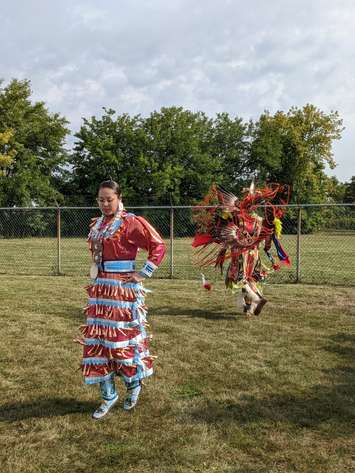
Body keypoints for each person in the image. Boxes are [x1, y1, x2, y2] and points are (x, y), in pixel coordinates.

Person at [76, 180, 165, 419]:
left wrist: (142, 273)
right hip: (100, 289)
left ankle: (133, 386)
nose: (105, 204)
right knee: (98, 341)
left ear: (118, 198)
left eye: (109, 199)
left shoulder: (130, 222)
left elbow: (158, 246)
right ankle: (108, 395)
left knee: (120, 341)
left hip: (121, 290)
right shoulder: (98, 224)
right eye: (101, 200)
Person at [192, 182, 290, 317]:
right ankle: (250, 308)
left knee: (238, 279)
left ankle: (257, 299)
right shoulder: (259, 220)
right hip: (254, 254)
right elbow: (267, 236)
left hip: (240, 253)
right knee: (251, 279)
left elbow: (225, 226)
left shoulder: (238, 217)